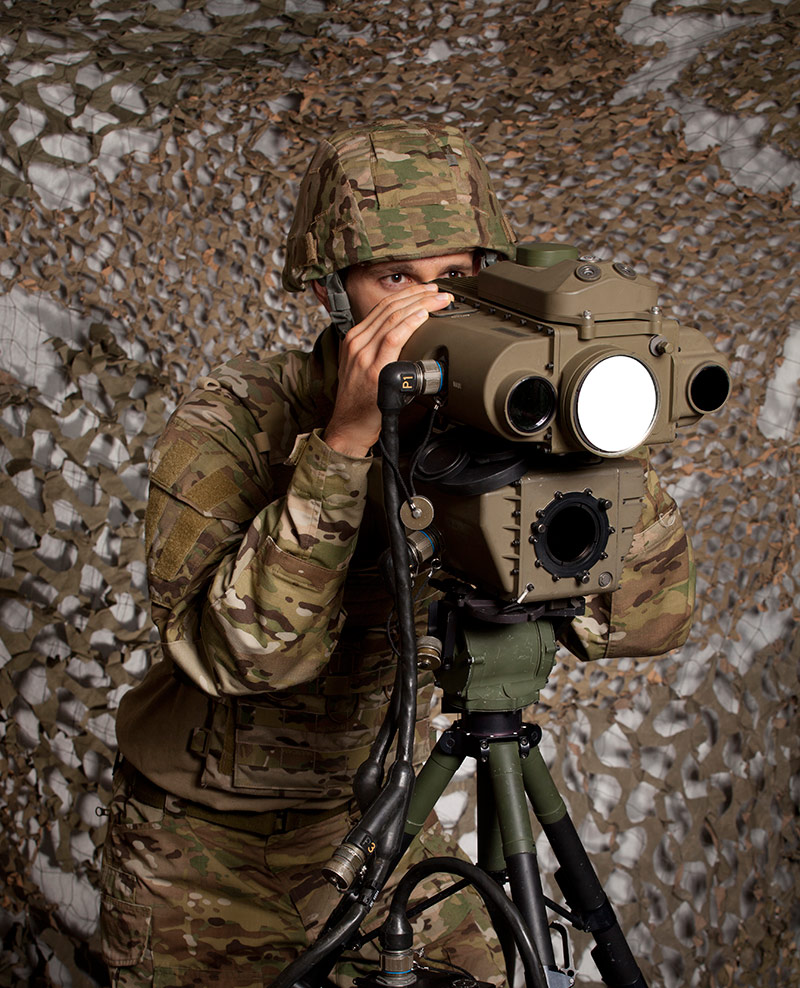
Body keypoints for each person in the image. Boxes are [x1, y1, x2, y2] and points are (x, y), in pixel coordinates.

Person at [99, 120, 695, 988]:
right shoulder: (234, 417)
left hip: (378, 816)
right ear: (332, 292)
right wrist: (341, 446)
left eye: (454, 278)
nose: (424, 305)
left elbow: (649, 623)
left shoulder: (497, 424)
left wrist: (589, 437)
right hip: (203, 848)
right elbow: (244, 659)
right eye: (393, 279)